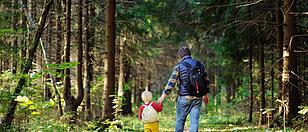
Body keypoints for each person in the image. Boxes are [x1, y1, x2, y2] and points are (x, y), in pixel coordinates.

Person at [157, 46, 210, 132]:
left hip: (184, 98)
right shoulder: (201, 65)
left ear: (180, 56)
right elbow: (206, 81)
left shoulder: (179, 67)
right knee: (194, 122)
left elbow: (171, 83)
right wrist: (206, 95)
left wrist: (162, 97)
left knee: (180, 121)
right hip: (198, 98)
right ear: (190, 54)